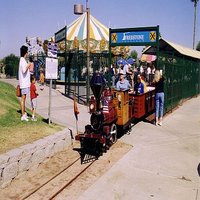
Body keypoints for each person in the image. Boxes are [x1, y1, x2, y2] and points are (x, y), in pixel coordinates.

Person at [18, 45, 31, 121]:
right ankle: (23, 115)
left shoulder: (22, 60)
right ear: (25, 52)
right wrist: (28, 65)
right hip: (24, 83)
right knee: (23, 99)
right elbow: (24, 70)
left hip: (24, 83)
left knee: (24, 98)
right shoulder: (22, 60)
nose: (28, 53)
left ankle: (24, 113)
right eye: (27, 52)